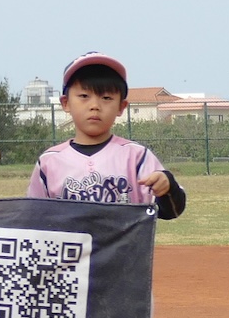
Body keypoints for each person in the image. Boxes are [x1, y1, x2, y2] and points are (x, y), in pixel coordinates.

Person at [29, 54, 184, 216]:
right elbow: (33, 216)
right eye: (84, 96)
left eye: (106, 98)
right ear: (66, 103)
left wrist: (167, 187)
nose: (95, 105)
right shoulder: (49, 161)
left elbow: (171, 211)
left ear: (121, 107)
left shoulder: (136, 156)